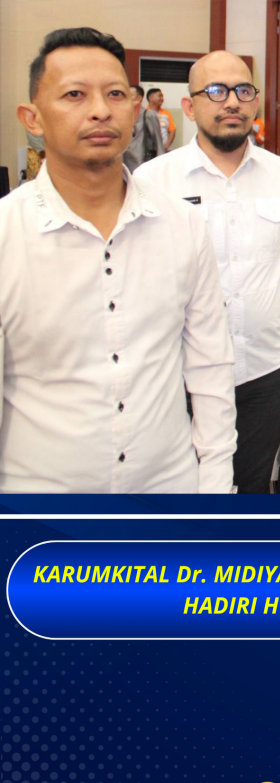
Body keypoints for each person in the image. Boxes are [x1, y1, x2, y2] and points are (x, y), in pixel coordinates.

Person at [0, 27, 236, 492]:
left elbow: (210, 366)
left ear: (133, 108)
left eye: (115, 94)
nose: (100, 110)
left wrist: (214, 484)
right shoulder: (7, 234)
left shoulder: (182, 225)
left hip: (169, 488)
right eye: (74, 94)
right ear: (33, 118)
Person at [134, 51, 280, 493]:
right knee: (177, 492)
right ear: (190, 106)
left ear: (255, 102)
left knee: (252, 486)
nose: (232, 102)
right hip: (178, 373)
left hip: (264, 367)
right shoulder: (151, 181)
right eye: (216, 91)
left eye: (243, 90)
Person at [123, 84, 161, 172]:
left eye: (130, 95)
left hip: (141, 159)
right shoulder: (123, 115)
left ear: (139, 98)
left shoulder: (148, 114)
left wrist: (161, 163)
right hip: (125, 159)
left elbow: (158, 140)